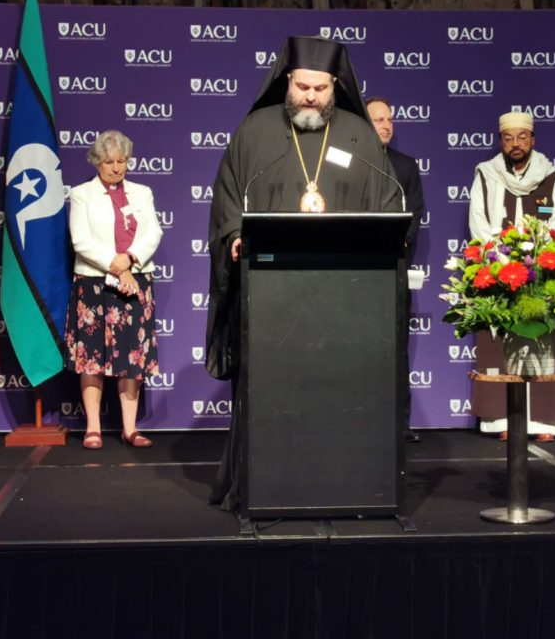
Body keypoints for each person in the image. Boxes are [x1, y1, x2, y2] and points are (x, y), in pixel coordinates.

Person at [206, 35, 401, 511]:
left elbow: (390, 204)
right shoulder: (254, 132)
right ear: (286, 81)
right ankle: (263, 486)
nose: (310, 97)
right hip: (271, 300)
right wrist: (235, 235)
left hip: (346, 299)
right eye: (301, 87)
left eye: (319, 88)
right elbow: (228, 200)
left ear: (335, 85)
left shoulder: (359, 135)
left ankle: (349, 484)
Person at [468, 110, 555, 441]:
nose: (516, 144)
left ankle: (545, 423)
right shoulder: (486, 174)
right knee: (500, 343)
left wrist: (535, 259)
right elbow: (479, 223)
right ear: (501, 141)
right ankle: (502, 421)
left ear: (533, 140)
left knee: (542, 341)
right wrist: (500, 259)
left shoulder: (551, 176)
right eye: (509, 137)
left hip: (540, 272)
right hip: (497, 270)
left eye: (522, 137)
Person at [65, 130, 164, 450]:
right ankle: (92, 428)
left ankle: (130, 428)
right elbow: (80, 240)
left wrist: (130, 260)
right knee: (92, 357)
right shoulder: (81, 194)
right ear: (97, 162)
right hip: (95, 285)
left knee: (132, 358)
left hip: (136, 279)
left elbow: (153, 232)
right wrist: (116, 266)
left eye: (122, 161)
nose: (116, 168)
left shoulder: (143, 192)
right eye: (109, 162)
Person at [366, 96, 426, 443]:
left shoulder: (406, 166)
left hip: (395, 270)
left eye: (390, 119)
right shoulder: (349, 163)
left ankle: (399, 424)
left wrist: (397, 247)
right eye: (379, 120)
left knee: (396, 351)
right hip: (358, 273)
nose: (387, 125)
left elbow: (414, 215)